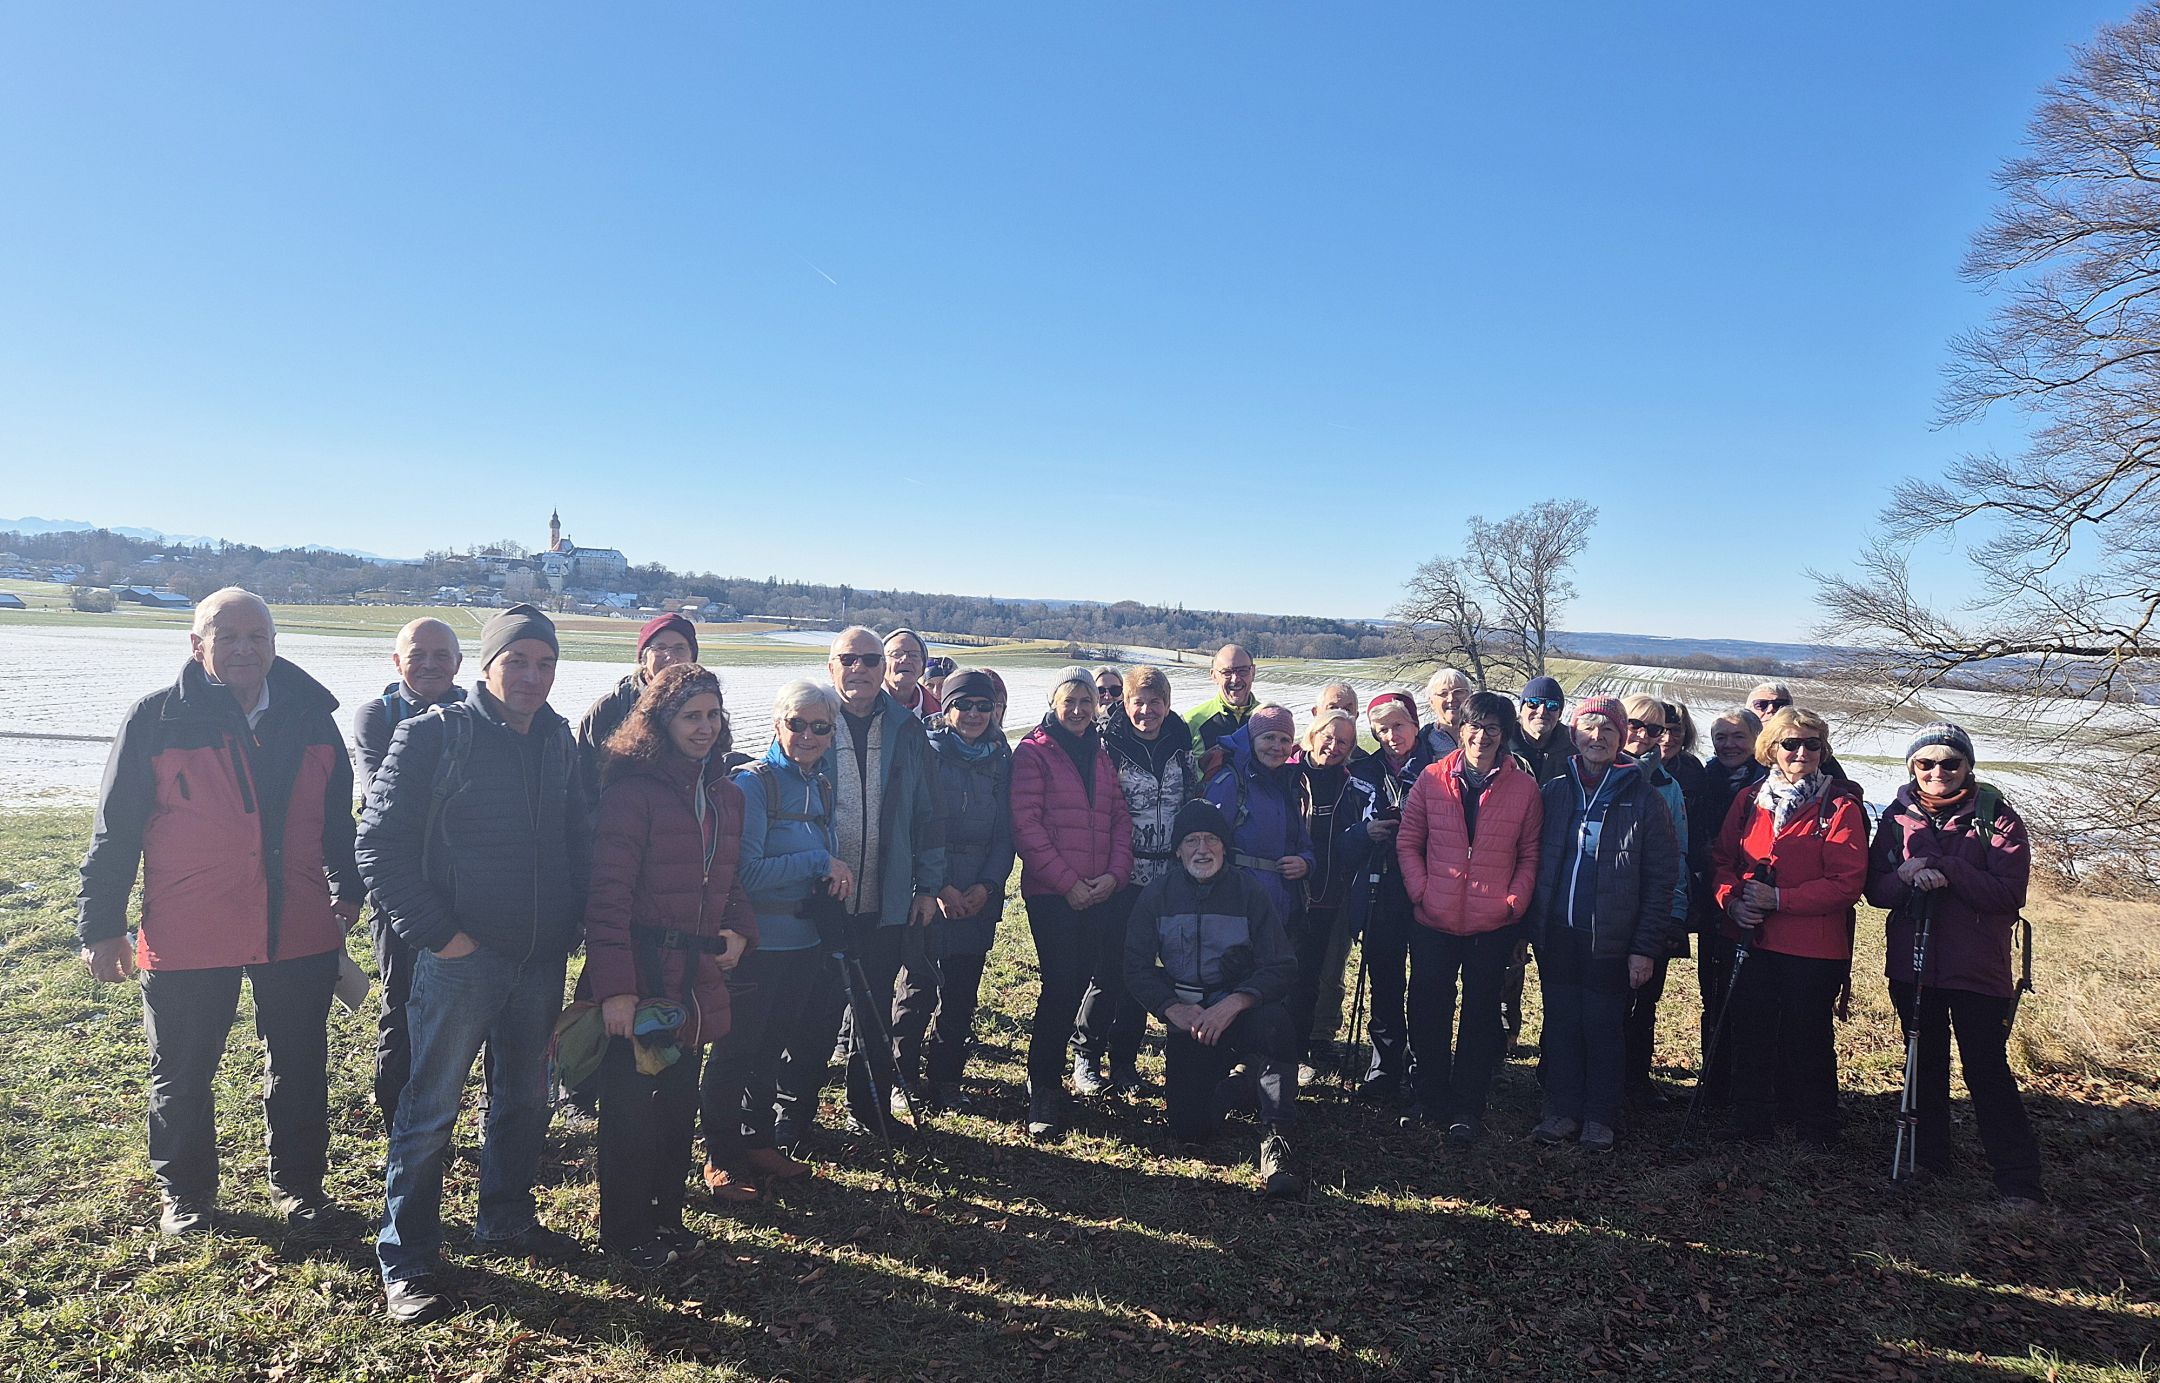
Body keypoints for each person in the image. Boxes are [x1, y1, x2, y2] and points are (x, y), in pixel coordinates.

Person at [78, 587, 363, 1240]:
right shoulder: (154, 720)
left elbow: (335, 819)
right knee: (180, 1069)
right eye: (226, 635)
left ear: (273, 643)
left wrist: (347, 885)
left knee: (299, 1065)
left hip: (294, 922)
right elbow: (114, 833)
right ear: (196, 643)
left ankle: (301, 1190)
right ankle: (187, 1194)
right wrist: (100, 926)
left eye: (256, 635)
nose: (243, 648)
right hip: (188, 928)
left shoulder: (312, 717)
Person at [358, 603, 593, 1324]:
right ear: (485, 667)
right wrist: (440, 935)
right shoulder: (433, 735)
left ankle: (506, 1218)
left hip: (537, 958)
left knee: (523, 1099)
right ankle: (409, 1258)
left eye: (544, 662)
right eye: (516, 660)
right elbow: (379, 847)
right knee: (429, 1111)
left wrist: (568, 925)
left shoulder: (558, 739)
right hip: (461, 958)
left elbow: (575, 837)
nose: (531, 675)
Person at [584, 665, 755, 1267]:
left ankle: (666, 1217)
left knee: (679, 1105)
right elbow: (606, 900)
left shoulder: (725, 795)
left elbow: (728, 879)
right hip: (642, 971)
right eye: (691, 716)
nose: (704, 728)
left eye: (712, 715)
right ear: (660, 722)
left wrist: (739, 931)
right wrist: (616, 992)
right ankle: (625, 1232)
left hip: (695, 978)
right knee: (632, 1111)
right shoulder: (632, 795)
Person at [1864, 724, 2045, 1206]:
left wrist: (1947, 868)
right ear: (1912, 768)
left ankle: (2019, 1180)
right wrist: (1904, 876)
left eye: (1950, 762)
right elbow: (1875, 890)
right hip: (1913, 963)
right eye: (1926, 763)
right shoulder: (1895, 817)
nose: (1938, 772)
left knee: (1986, 1069)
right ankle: (1928, 1161)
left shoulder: (1997, 818)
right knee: (1923, 1063)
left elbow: (2009, 894)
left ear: (1967, 766)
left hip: (1977, 969)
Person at [778, 627, 945, 1147]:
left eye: (871, 659)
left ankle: (868, 1108)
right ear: (832, 667)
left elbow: (928, 813)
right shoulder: (810, 720)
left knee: (871, 1017)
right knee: (812, 1014)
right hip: (818, 902)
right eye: (848, 658)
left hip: (885, 898)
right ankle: (792, 1115)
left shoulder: (907, 729)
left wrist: (927, 887)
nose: (860, 668)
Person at [701, 681, 847, 1199]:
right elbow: (746, 872)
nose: (807, 735)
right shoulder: (752, 785)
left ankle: (757, 1140)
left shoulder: (820, 784)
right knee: (734, 1052)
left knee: (770, 1050)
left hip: (803, 943)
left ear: (832, 733)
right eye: (796, 723)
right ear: (777, 723)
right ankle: (720, 1155)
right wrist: (817, 863)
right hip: (757, 946)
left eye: (820, 726)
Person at [1123, 800, 1304, 1199]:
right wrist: (1174, 1008)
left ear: (1225, 847)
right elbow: (1134, 967)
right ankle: (1239, 1083)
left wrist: (1236, 1001)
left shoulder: (1249, 892)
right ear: (1178, 850)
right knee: (1190, 1131)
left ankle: (1278, 1140)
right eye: (1191, 840)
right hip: (1190, 1020)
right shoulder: (1156, 895)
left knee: (1277, 1025)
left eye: (1211, 839)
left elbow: (1282, 965)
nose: (1202, 849)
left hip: (1238, 1012)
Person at [1524, 695, 1680, 1151]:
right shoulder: (1554, 792)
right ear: (1574, 736)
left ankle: (1600, 1117)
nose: (1598, 738)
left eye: (1608, 731)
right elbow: (1533, 860)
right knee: (1562, 1023)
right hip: (1558, 934)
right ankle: (1562, 1111)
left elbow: (1661, 878)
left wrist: (1644, 947)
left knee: (1605, 1028)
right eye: (1589, 729)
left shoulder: (1645, 799)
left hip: (1611, 941)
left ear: (1621, 740)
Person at [1710, 706, 1867, 1148]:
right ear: (1770, 749)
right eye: (1790, 743)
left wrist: (1781, 899)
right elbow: (1722, 861)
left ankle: (1816, 1124)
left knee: (1808, 1035)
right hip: (1750, 937)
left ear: (1823, 749)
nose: (1801, 752)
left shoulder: (1838, 805)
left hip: (1812, 948)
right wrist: (1732, 901)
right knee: (1751, 1030)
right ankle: (1750, 1120)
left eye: (1811, 744)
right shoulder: (1748, 802)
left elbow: (1847, 882)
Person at [1395, 691, 1543, 1145]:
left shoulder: (1524, 788)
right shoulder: (1431, 778)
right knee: (1428, 1010)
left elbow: (1529, 854)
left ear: (1505, 735)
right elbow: (1408, 841)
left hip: (1490, 925)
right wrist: (1422, 892)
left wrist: (1512, 903)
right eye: (1474, 727)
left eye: (1492, 729)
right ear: (1460, 729)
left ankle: (1468, 1104)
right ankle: (1430, 1097)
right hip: (1433, 920)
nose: (1482, 737)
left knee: (1481, 1017)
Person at [352, 617, 467, 1132]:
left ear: (460, 664)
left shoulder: (480, 711)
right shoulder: (377, 715)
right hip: (399, 886)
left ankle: (464, 1112)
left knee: (469, 1006)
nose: (430, 664)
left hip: (468, 885)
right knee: (403, 1002)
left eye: (441, 655)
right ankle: (396, 1116)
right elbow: (382, 793)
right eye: (417, 654)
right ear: (397, 662)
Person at [1011, 669, 1134, 1138]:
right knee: (1061, 988)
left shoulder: (1101, 754)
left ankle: (1061, 1076)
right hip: (1054, 895)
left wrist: (1114, 875)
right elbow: (1027, 826)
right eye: (1071, 700)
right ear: (1054, 702)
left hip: (1100, 890)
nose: (1080, 708)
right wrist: (1068, 884)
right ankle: (1043, 1088)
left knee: (1084, 979)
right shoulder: (1033, 753)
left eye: (1088, 699)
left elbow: (1120, 818)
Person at [893, 669, 1015, 1110]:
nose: (974, 714)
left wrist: (987, 886)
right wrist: (938, 886)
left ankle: (946, 1080)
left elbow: (1007, 832)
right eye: (963, 704)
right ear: (946, 709)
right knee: (917, 989)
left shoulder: (1003, 758)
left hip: (979, 892)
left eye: (984, 706)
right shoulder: (924, 753)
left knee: (962, 994)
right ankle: (901, 1080)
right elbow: (913, 824)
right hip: (929, 889)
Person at [1083, 666, 1202, 1095]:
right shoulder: (1107, 745)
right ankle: (1087, 1054)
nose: (1146, 710)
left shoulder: (1179, 744)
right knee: (1110, 968)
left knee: (1145, 973)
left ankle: (1126, 1062)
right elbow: (1098, 811)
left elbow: (1191, 802)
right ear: (1125, 703)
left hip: (1168, 876)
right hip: (1120, 874)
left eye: (1155, 702)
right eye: (1138, 701)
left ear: (1167, 704)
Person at [1341, 692, 1433, 1104]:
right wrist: (1367, 833)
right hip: (1377, 886)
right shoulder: (1360, 771)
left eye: (1399, 725)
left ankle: (1423, 1065)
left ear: (1415, 724)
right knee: (1385, 979)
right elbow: (1340, 836)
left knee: (1429, 981)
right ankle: (1384, 1065)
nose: (1392, 735)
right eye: (1382, 729)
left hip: (1430, 888)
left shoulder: (1440, 768)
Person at [1616, 696, 1692, 1103]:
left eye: (1655, 729)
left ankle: (1636, 1080)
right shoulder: (1587, 773)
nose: (1643, 735)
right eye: (1635, 724)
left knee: (1644, 998)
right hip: (1601, 911)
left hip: (1650, 910)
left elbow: (1678, 854)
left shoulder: (1669, 787)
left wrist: (1674, 914)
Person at [1691, 709, 1766, 1105]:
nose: (1728, 745)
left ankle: (1754, 1088)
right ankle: (1715, 1082)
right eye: (1720, 737)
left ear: (1757, 739)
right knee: (1714, 994)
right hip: (1715, 902)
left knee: (1755, 999)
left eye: (1738, 737)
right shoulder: (1707, 778)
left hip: (1760, 903)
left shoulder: (1769, 779)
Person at [1202, 706, 1315, 943]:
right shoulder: (1230, 783)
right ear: (1252, 740)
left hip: (1285, 906)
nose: (1277, 746)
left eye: (1285, 740)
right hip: (1239, 907)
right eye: (1268, 737)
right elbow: (1207, 844)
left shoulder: (1289, 784)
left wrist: (1305, 863)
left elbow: (1303, 843)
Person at [1293, 707, 1362, 1079]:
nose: (1333, 747)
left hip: (1330, 893)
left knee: (1314, 976)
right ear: (1314, 734)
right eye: (1329, 737)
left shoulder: (1351, 784)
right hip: (1287, 891)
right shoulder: (1288, 773)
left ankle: (1303, 1049)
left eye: (1344, 743)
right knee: (1283, 971)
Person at [576, 612, 699, 802]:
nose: (670, 657)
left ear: (692, 657)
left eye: (679, 648)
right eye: (660, 648)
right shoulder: (609, 710)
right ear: (643, 658)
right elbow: (581, 781)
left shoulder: (704, 710)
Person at [1187, 643, 1258, 754]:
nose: (1235, 679)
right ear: (1214, 676)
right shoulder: (1191, 722)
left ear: (1253, 672)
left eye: (1243, 671)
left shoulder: (1269, 718)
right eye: (1227, 672)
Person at [1508, 676, 1569, 783]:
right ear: (1521, 709)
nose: (1542, 711)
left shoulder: (1573, 749)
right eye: (1533, 703)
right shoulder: (1501, 744)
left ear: (1560, 713)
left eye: (1552, 705)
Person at [883, 628, 941, 720]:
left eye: (914, 655)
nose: (905, 659)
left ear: (922, 665)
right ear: (882, 662)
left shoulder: (939, 713)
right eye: (896, 654)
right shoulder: (862, 703)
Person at [1421, 668, 1472, 761]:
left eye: (1458, 692)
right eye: (1443, 693)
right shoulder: (1423, 741)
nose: (1451, 699)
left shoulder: (1484, 733)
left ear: (1470, 696)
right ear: (1431, 702)